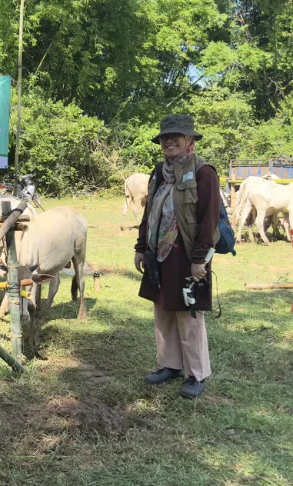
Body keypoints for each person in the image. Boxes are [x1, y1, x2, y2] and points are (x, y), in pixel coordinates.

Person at [134, 114, 220, 399]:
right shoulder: (159, 171)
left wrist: (200, 260)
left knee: (189, 313)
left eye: (176, 136)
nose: (169, 141)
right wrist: (139, 247)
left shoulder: (203, 172)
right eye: (164, 137)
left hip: (186, 255)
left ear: (189, 140)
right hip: (158, 253)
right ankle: (170, 364)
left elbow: (208, 220)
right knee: (163, 309)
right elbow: (149, 213)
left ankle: (196, 374)